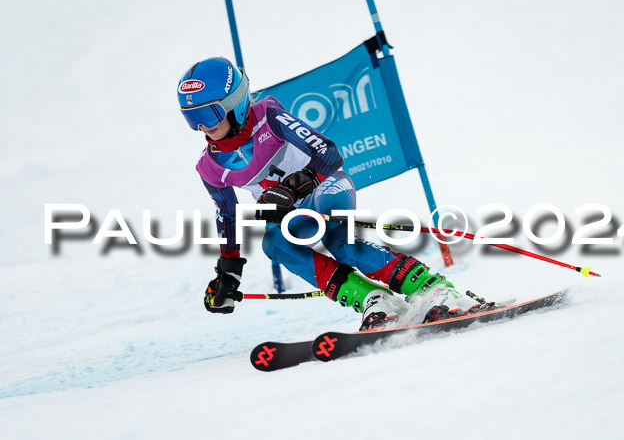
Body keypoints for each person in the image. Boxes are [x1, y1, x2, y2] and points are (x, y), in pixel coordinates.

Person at [177, 57, 487, 330]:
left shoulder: (268, 116)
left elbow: (328, 153)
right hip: (291, 213)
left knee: (338, 239)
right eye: (192, 118)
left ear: (236, 103)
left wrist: (292, 186)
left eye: (210, 114)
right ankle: (374, 300)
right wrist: (228, 274)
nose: (203, 127)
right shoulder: (209, 167)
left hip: (327, 186)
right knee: (274, 243)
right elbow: (228, 218)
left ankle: (433, 289)